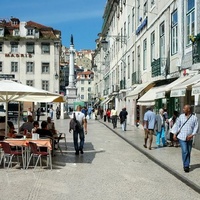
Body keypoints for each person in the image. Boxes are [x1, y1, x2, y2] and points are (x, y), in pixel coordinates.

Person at [171, 105, 199, 173]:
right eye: (183, 108)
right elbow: (177, 125)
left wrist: (192, 135)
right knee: (185, 151)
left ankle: (187, 164)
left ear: (189, 109)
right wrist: (174, 134)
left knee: (188, 152)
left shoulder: (194, 118)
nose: (183, 109)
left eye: (184, 108)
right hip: (181, 137)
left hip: (189, 137)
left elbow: (196, 127)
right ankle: (186, 165)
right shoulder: (181, 116)